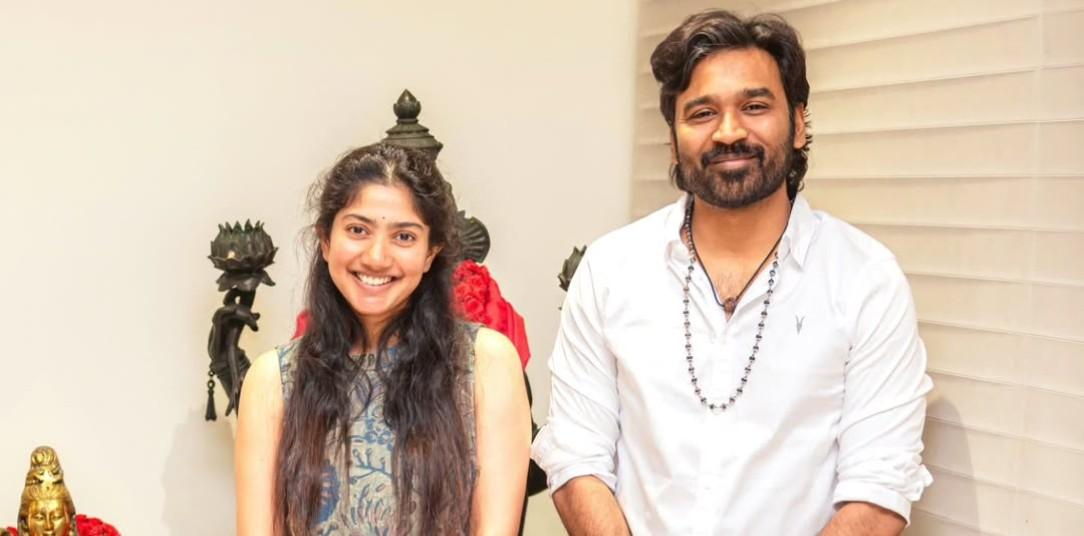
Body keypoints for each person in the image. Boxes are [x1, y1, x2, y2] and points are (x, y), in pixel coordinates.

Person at [532, 10, 932, 535]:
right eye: (702, 113)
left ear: (799, 124)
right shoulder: (611, 270)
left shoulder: (865, 280)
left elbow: (879, 492)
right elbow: (576, 457)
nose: (728, 131)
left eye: (755, 106)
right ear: (673, 139)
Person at [236, 143, 531, 535]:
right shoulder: (273, 379)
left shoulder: (485, 365)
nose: (376, 257)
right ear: (326, 240)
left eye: (404, 236)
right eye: (358, 230)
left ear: (431, 254)